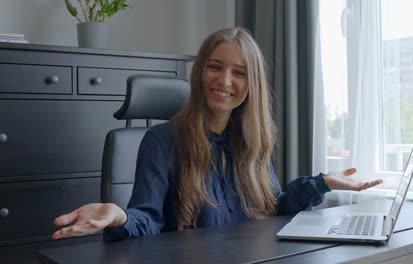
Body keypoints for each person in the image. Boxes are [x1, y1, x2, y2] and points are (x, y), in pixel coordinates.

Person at [52, 27, 382, 240]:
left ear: (251, 85)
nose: (224, 81)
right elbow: (148, 221)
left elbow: (274, 208)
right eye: (215, 67)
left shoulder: (252, 144)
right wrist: (119, 215)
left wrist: (322, 182)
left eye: (238, 73)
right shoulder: (161, 141)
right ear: (200, 73)